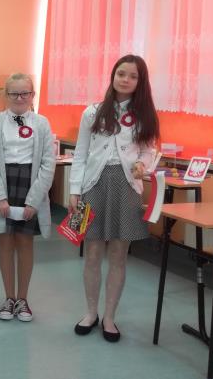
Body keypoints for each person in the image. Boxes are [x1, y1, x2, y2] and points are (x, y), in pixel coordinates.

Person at [69, 54, 159, 342]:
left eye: (133, 76)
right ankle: (90, 313)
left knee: (119, 255)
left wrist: (143, 164)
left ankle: (109, 317)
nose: (125, 79)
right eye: (121, 73)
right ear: (113, 75)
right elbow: (80, 154)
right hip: (92, 186)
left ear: (140, 82)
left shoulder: (145, 115)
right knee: (92, 253)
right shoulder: (92, 112)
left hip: (127, 188)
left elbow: (149, 151)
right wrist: (74, 190)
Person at [0, 73, 55, 323]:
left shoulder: (41, 123)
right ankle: (9, 297)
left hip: (30, 185)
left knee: (24, 243)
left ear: (33, 95)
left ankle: (23, 299)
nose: (20, 98)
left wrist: (34, 200)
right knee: (5, 242)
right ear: (6, 95)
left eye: (25, 93)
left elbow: (47, 164)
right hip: (3, 183)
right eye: (14, 93)